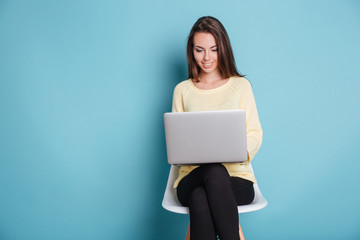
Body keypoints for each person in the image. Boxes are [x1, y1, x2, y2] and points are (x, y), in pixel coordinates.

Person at [171, 16, 263, 240]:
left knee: (201, 198)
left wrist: (239, 151)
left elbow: (254, 134)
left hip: (237, 180)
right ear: (191, 51)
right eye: (199, 50)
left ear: (223, 48)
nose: (207, 57)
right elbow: (176, 141)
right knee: (213, 170)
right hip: (191, 178)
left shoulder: (240, 86)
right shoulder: (182, 90)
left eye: (213, 49)